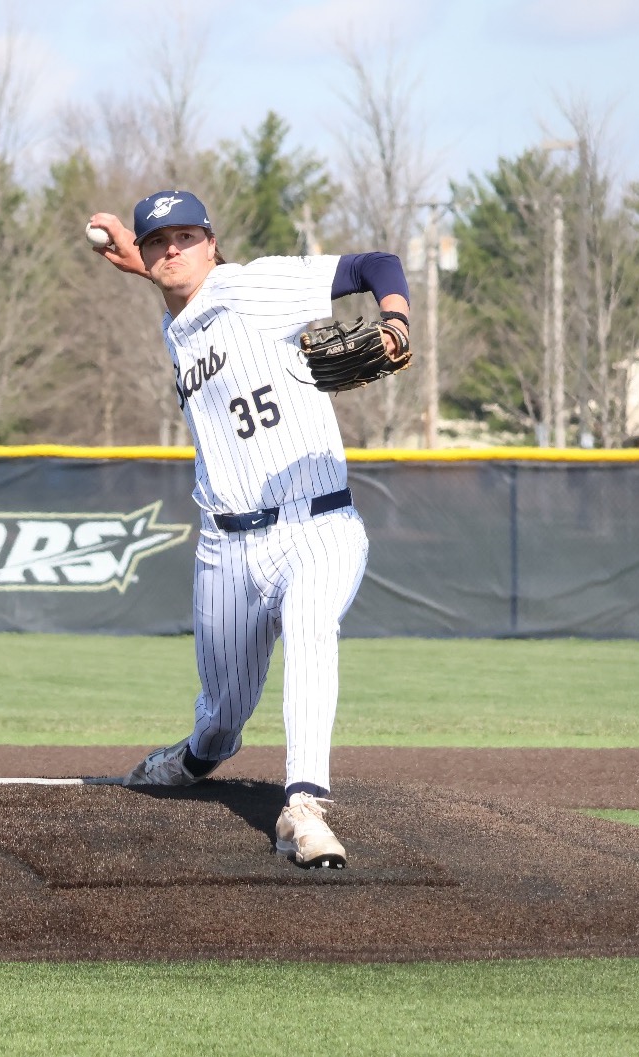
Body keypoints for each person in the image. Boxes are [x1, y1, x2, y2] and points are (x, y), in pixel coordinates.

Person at [86, 190, 411, 869]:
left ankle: (303, 804)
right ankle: (196, 756)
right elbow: (185, 293)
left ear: (212, 242)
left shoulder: (254, 284)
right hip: (225, 545)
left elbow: (376, 263)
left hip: (315, 522)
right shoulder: (176, 322)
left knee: (311, 625)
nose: (172, 249)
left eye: (186, 236)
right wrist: (142, 268)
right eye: (157, 241)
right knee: (222, 714)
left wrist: (395, 322)